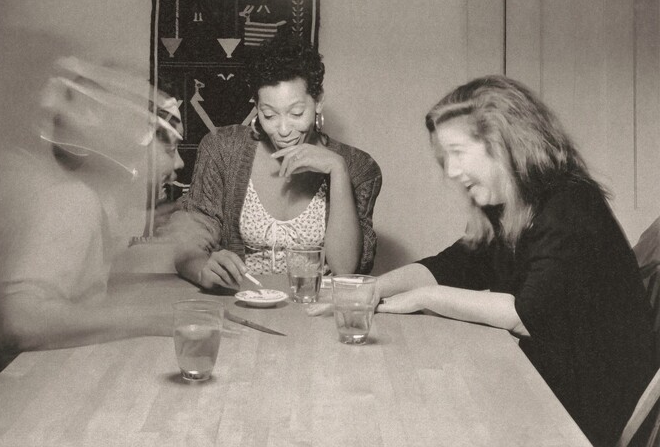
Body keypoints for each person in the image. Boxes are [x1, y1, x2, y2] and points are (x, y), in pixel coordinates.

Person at [370, 75, 655, 447]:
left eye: (458, 152)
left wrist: (424, 298)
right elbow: (452, 264)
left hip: (587, 410)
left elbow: (523, 315)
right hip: (550, 383)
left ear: (502, 143)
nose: (451, 172)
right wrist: (370, 288)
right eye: (445, 158)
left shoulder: (570, 206)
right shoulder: (514, 204)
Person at [0, 57, 184, 431]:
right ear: (134, 149)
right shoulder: (71, 202)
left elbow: (75, 284)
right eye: (170, 148)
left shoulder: (82, 200)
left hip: (7, 393)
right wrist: (151, 320)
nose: (177, 165)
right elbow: (20, 322)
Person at [174, 37, 382, 290]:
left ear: (318, 102)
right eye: (269, 115)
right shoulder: (223, 149)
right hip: (243, 303)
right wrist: (201, 269)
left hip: (314, 310)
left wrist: (338, 170)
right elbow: (189, 242)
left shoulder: (358, 166)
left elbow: (345, 269)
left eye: (296, 113)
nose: (283, 130)